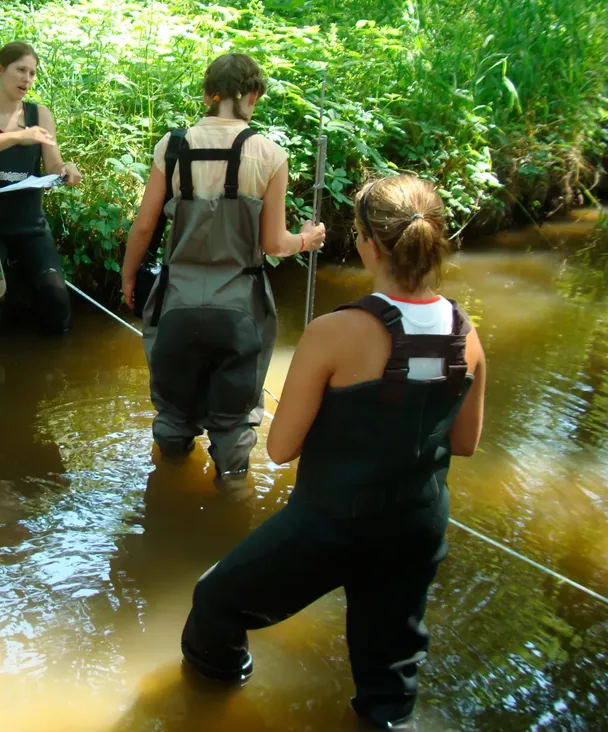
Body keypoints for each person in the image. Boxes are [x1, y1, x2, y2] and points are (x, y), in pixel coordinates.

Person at [179, 175, 488, 728]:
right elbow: (464, 443)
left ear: (368, 243)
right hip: (417, 529)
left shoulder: (335, 332)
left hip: (332, 526)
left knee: (215, 603)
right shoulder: (467, 335)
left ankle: (210, 707)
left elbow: (279, 449)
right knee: (390, 683)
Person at [120, 52, 325, 479]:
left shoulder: (172, 146)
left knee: (173, 418)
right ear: (252, 95)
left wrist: (128, 278)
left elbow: (143, 228)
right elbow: (273, 243)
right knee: (233, 429)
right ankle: (232, 503)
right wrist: (307, 238)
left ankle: (167, 494)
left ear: (208, 94)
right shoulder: (269, 155)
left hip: (175, 304)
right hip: (240, 310)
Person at [0, 42, 83, 335]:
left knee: (56, 299)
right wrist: (16, 137)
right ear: (0, 69)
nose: (27, 79)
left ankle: (55, 373)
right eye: (21, 70)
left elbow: (53, 165)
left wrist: (67, 170)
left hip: (32, 228)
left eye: (33, 73)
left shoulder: (40, 115)